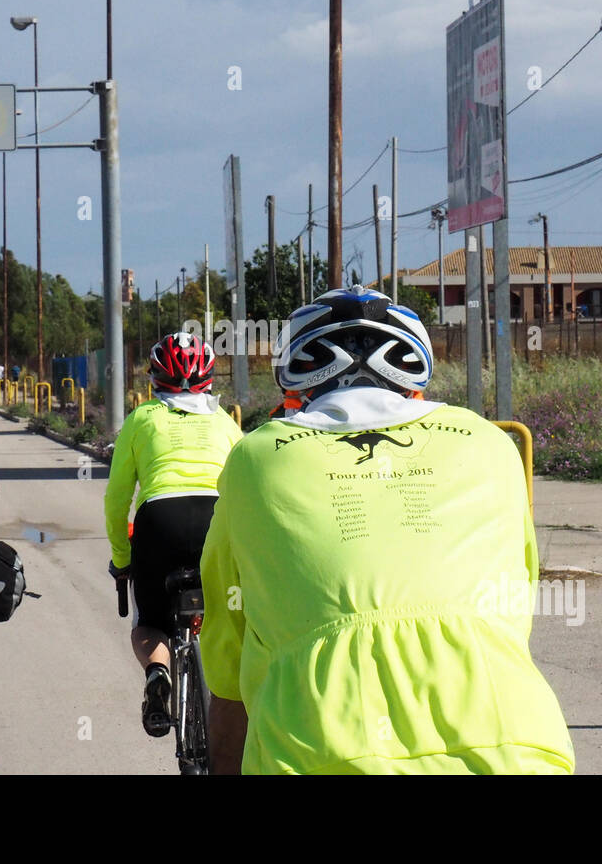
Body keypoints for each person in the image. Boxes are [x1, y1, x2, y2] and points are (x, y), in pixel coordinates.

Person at [199, 286, 575, 774]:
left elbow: (228, 640)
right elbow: (516, 596)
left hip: (320, 751)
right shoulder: (490, 441)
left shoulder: (256, 457)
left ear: (299, 389)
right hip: (516, 744)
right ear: (413, 383)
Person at [104, 331, 243, 737]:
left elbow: (116, 500)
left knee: (150, 621)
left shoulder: (142, 419)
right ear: (210, 379)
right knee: (228, 612)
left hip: (160, 519)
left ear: (154, 379)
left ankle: (158, 671)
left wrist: (122, 560)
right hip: (216, 519)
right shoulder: (224, 423)